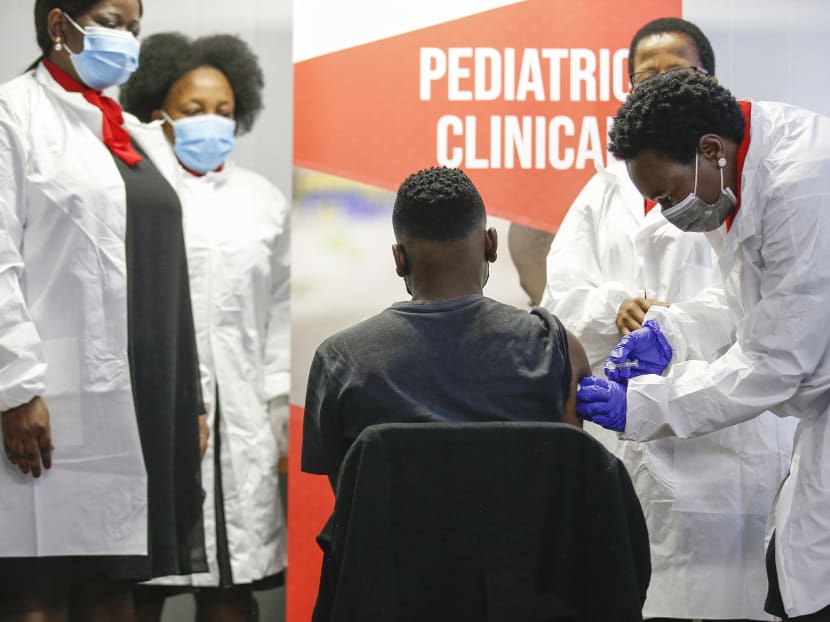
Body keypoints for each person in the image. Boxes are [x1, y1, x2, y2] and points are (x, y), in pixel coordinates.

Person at [541, 17, 795, 621]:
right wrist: (618, 308)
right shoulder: (606, 189)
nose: (655, 86)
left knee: (738, 595)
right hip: (636, 430)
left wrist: (678, 329)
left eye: (673, 73)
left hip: (732, 425)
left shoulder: (742, 181)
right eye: (642, 77)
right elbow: (560, 302)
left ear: (706, 83)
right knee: (643, 587)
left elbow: (759, 314)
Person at [577, 71, 830, 621]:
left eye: (667, 194)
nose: (670, 212)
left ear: (709, 149)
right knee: (800, 579)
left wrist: (644, 405)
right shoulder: (732, 169)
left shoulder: (800, 183)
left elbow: (777, 362)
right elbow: (747, 300)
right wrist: (671, 334)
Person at [0, 2, 208, 621]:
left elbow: (177, 274)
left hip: (145, 394)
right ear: (59, 25)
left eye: (134, 28)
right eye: (112, 20)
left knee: (115, 586)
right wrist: (14, 386)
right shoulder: (14, 114)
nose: (127, 39)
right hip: (53, 395)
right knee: (36, 587)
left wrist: (189, 397)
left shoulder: (135, 134)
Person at [120, 32, 289, 622]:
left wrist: (276, 416)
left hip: (241, 417)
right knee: (142, 586)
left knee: (231, 586)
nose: (210, 122)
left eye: (223, 110)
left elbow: (279, 316)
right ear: (157, 112)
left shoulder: (262, 201)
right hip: (157, 410)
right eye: (193, 111)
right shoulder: (134, 193)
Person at [302, 166, 591, 486]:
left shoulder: (339, 362)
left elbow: (350, 509)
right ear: (491, 244)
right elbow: (568, 483)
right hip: (528, 538)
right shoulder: (558, 349)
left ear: (399, 259)